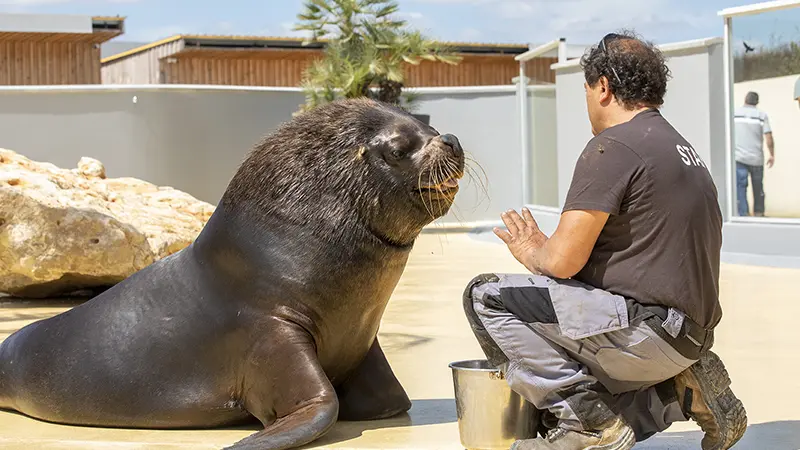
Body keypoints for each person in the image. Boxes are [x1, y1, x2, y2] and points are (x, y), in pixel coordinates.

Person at [462, 31, 747, 450]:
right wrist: (551, 253)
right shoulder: (681, 149)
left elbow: (561, 263)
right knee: (562, 319)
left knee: (486, 296)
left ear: (603, 87)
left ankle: (587, 425)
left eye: (587, 90)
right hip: (690, 337)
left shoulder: (612, 147)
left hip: (645, 334)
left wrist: (534, 251)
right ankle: (680, 391)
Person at [734, 91, 774, 216]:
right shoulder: (762, 115)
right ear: (757, 102)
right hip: (757, 159)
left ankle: (743, 214)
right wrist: (772, 154)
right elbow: (769, 137)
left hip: (739, 158)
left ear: (745, 99)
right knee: (758, 187)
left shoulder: (735, 113)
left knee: (740, 187)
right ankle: (759, 213)